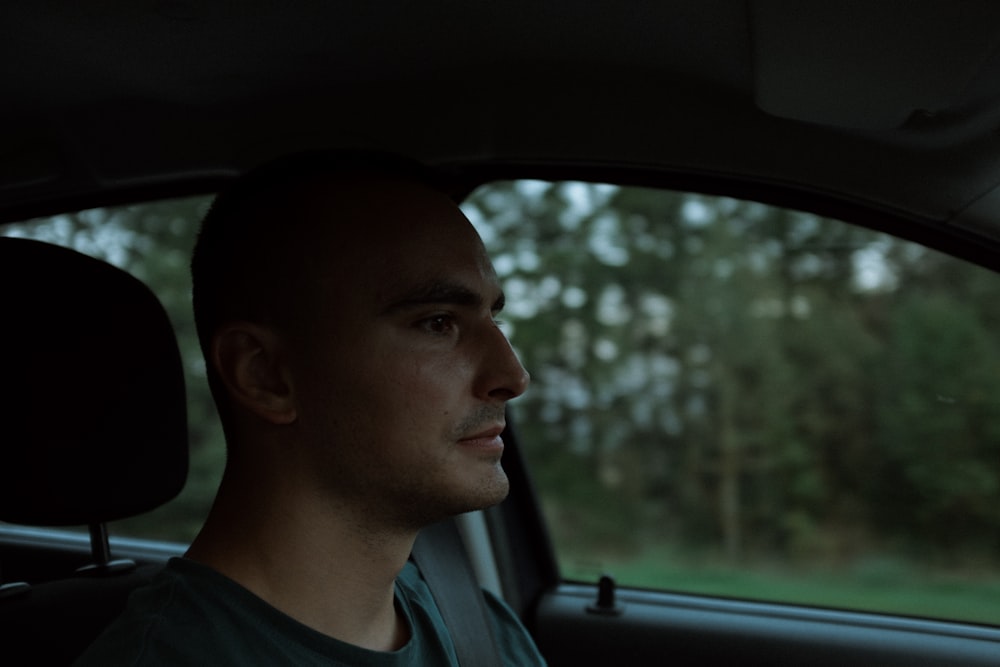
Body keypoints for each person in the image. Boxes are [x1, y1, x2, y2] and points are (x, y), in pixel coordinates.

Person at [75, 151, 545, 665]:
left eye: (492, 317)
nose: (513, 378)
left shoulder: (484, 631)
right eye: (437, 323)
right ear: (266, 375)